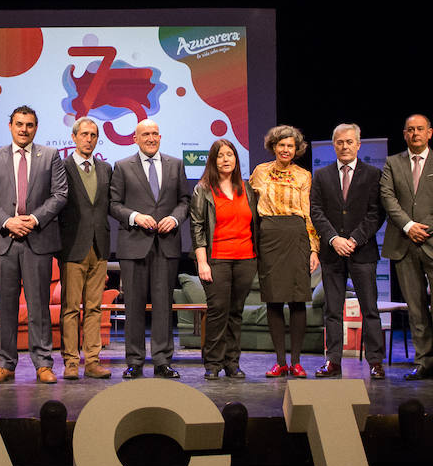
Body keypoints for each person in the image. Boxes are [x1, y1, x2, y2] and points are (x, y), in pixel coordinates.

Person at [0, 105, 67, 384]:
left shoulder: (51, 156)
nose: (24, 129)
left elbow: (60, 194)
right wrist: (8, 222)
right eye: (19, 124)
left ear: (36, 128)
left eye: (29, 125)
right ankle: (5, 364)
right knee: (6, 307)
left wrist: (34, 220)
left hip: (37, 239)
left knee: (38, 306)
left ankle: (43, 364)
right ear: (10, 126)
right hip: (3, 241)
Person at [109, 118, 191, 379]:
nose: (151, 138)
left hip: (166, 245)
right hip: (134, 245)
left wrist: (175, 218)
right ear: (135, 138)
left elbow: (184, 201)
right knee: (133, 306)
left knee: (163, 305)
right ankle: (134, 361)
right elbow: (113, 204)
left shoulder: (175, 165)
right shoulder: (122, 166)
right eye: (145, 134)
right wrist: (135, 216)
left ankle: (162, 361)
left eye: (155, 133)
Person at [380, 114, 433, 382]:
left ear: (430, 133)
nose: (415, 133)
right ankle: (423, 361)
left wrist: (426, 228)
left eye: (420, 129)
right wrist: (408, 226)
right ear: (405, 134)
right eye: (410, 130)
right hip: (404, 242)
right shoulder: (392, 163)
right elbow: (387, 197)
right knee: (415, 307)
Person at [309, 123, 385, 379]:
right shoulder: (321, 175)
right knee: (332, 310)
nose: (345, 146)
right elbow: (316, 211)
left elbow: (376, 213)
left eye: (349, 142)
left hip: (362, 252)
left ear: (358, 145)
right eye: (340, 142)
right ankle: (333, 361)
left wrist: (353, 239)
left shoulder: (374, 174)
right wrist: (333, 239)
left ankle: (375, 362)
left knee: (370, 309)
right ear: (334, 145)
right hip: (332, 254)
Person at [248, 125, 319, 378]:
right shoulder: (259, 172)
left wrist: (313, 248)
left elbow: (308, 212)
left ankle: (297, 362)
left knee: (298, 299)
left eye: (290, 145)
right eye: (281, 145)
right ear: (274, 147)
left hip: (297, 234)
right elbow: (251, 209)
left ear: (296, 149)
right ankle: (280, 362)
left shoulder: (303, 176)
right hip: (269, 236)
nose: (286, 149)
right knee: (274, 299)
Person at [190, 138, 260, 380]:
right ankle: (212, 363)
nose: (226, 159)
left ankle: (232, 363)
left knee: (235, 312)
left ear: (236, 159)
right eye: (220, 155)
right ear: (213, 160)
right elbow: (197, 227)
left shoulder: (247, 188)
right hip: (217, 259)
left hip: (245, 259)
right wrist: (202, 262)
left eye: (230, 154)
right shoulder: (203, 189)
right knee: (218, 311)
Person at [58, 117, 114, 379]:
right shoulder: (62, 166)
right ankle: (71, 361)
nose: (88, 139)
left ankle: (91, 360)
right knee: (70, 307)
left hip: (99, 246)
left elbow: (109, 205)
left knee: (94, 308)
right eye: (84, 134)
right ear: (74, 137)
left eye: (93, 135)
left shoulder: (105, 168)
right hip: (72, 247)